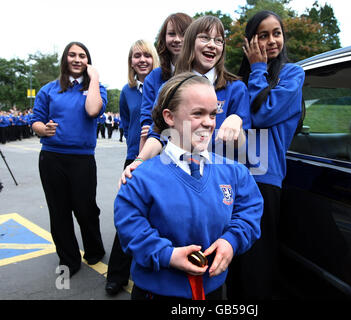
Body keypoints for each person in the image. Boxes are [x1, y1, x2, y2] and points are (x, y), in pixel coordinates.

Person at [114, 72, 263, 300]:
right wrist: (167, 255)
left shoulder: (234, 172)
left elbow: (250, 211)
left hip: (212, 291)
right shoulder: (141, 178)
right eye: (198, 113)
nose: (208, 122)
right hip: (156, 293)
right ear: (169, 117)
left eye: (213, 114)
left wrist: (231, 241)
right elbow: (130, 227)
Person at [226, 11, 305, 300]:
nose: (271, 41)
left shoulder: (293, 74)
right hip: (231, 174)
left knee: (257, 261)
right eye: (263, 35)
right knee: (230, 257)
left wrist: (258, 68)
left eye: (277, 33)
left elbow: (262, 113)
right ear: (249, 41)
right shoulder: (237, 81)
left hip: (264, 177)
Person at [121, 15, 250, 183]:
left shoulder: (236, 89)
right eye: (204, 37)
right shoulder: (169, 87)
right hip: (175, 178)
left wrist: (236, 120)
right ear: (190, 43)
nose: (212, 44)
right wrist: (138, 162)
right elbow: (157, 134)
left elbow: (242, 149)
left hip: (219, 181)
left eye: (218, 40)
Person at [31, 41, 107, 276]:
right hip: (52, 158)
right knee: (59, 211)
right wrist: (43, 129)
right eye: (72, 55)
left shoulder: (97, 87)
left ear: (88, 61)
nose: (77, 59)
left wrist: (93, 78)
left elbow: (93, 110)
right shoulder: (49, 89)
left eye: (82, 56)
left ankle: (95, 250)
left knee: (86, 210)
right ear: (65, 59)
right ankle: (69, 259)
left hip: (82, 159)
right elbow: (35, 120)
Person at [105, 39, 160, 296]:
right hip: (134, 157)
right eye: (136, 56)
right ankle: (117, 274)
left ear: (154, 58)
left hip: (161, 157)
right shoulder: (127, 92)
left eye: (146, 55)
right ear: (131, 62)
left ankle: (153, 272)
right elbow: (127, 124)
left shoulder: (164, 82)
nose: (142, 60)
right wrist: (135, 148)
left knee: (158, 217)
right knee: (127, 215)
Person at [139, 12, 193, 152]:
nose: (177, 39)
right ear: (164, 37)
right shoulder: (153, 77)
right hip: (160, 147)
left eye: (183, 34)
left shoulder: (199, 75)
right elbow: (147, 119)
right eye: (171, 34)